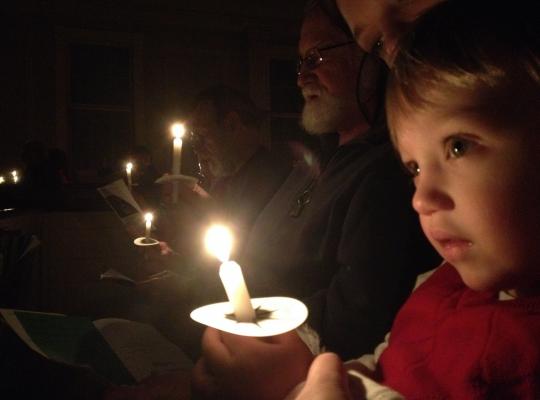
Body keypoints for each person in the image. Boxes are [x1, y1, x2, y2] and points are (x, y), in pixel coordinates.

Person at [289, 0, 540, 398]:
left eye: (459, 147)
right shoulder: (438, 283)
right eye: (414, 168)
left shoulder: (521, 357)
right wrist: (358, 372)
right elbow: (396, 354)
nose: (422, 198)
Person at [191, 1, 440, 398]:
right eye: (300, 62)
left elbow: (357, 314)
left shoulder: (389, 171)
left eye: (318, 56)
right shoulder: (315, 162)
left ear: (369, 55)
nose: (302, 76)